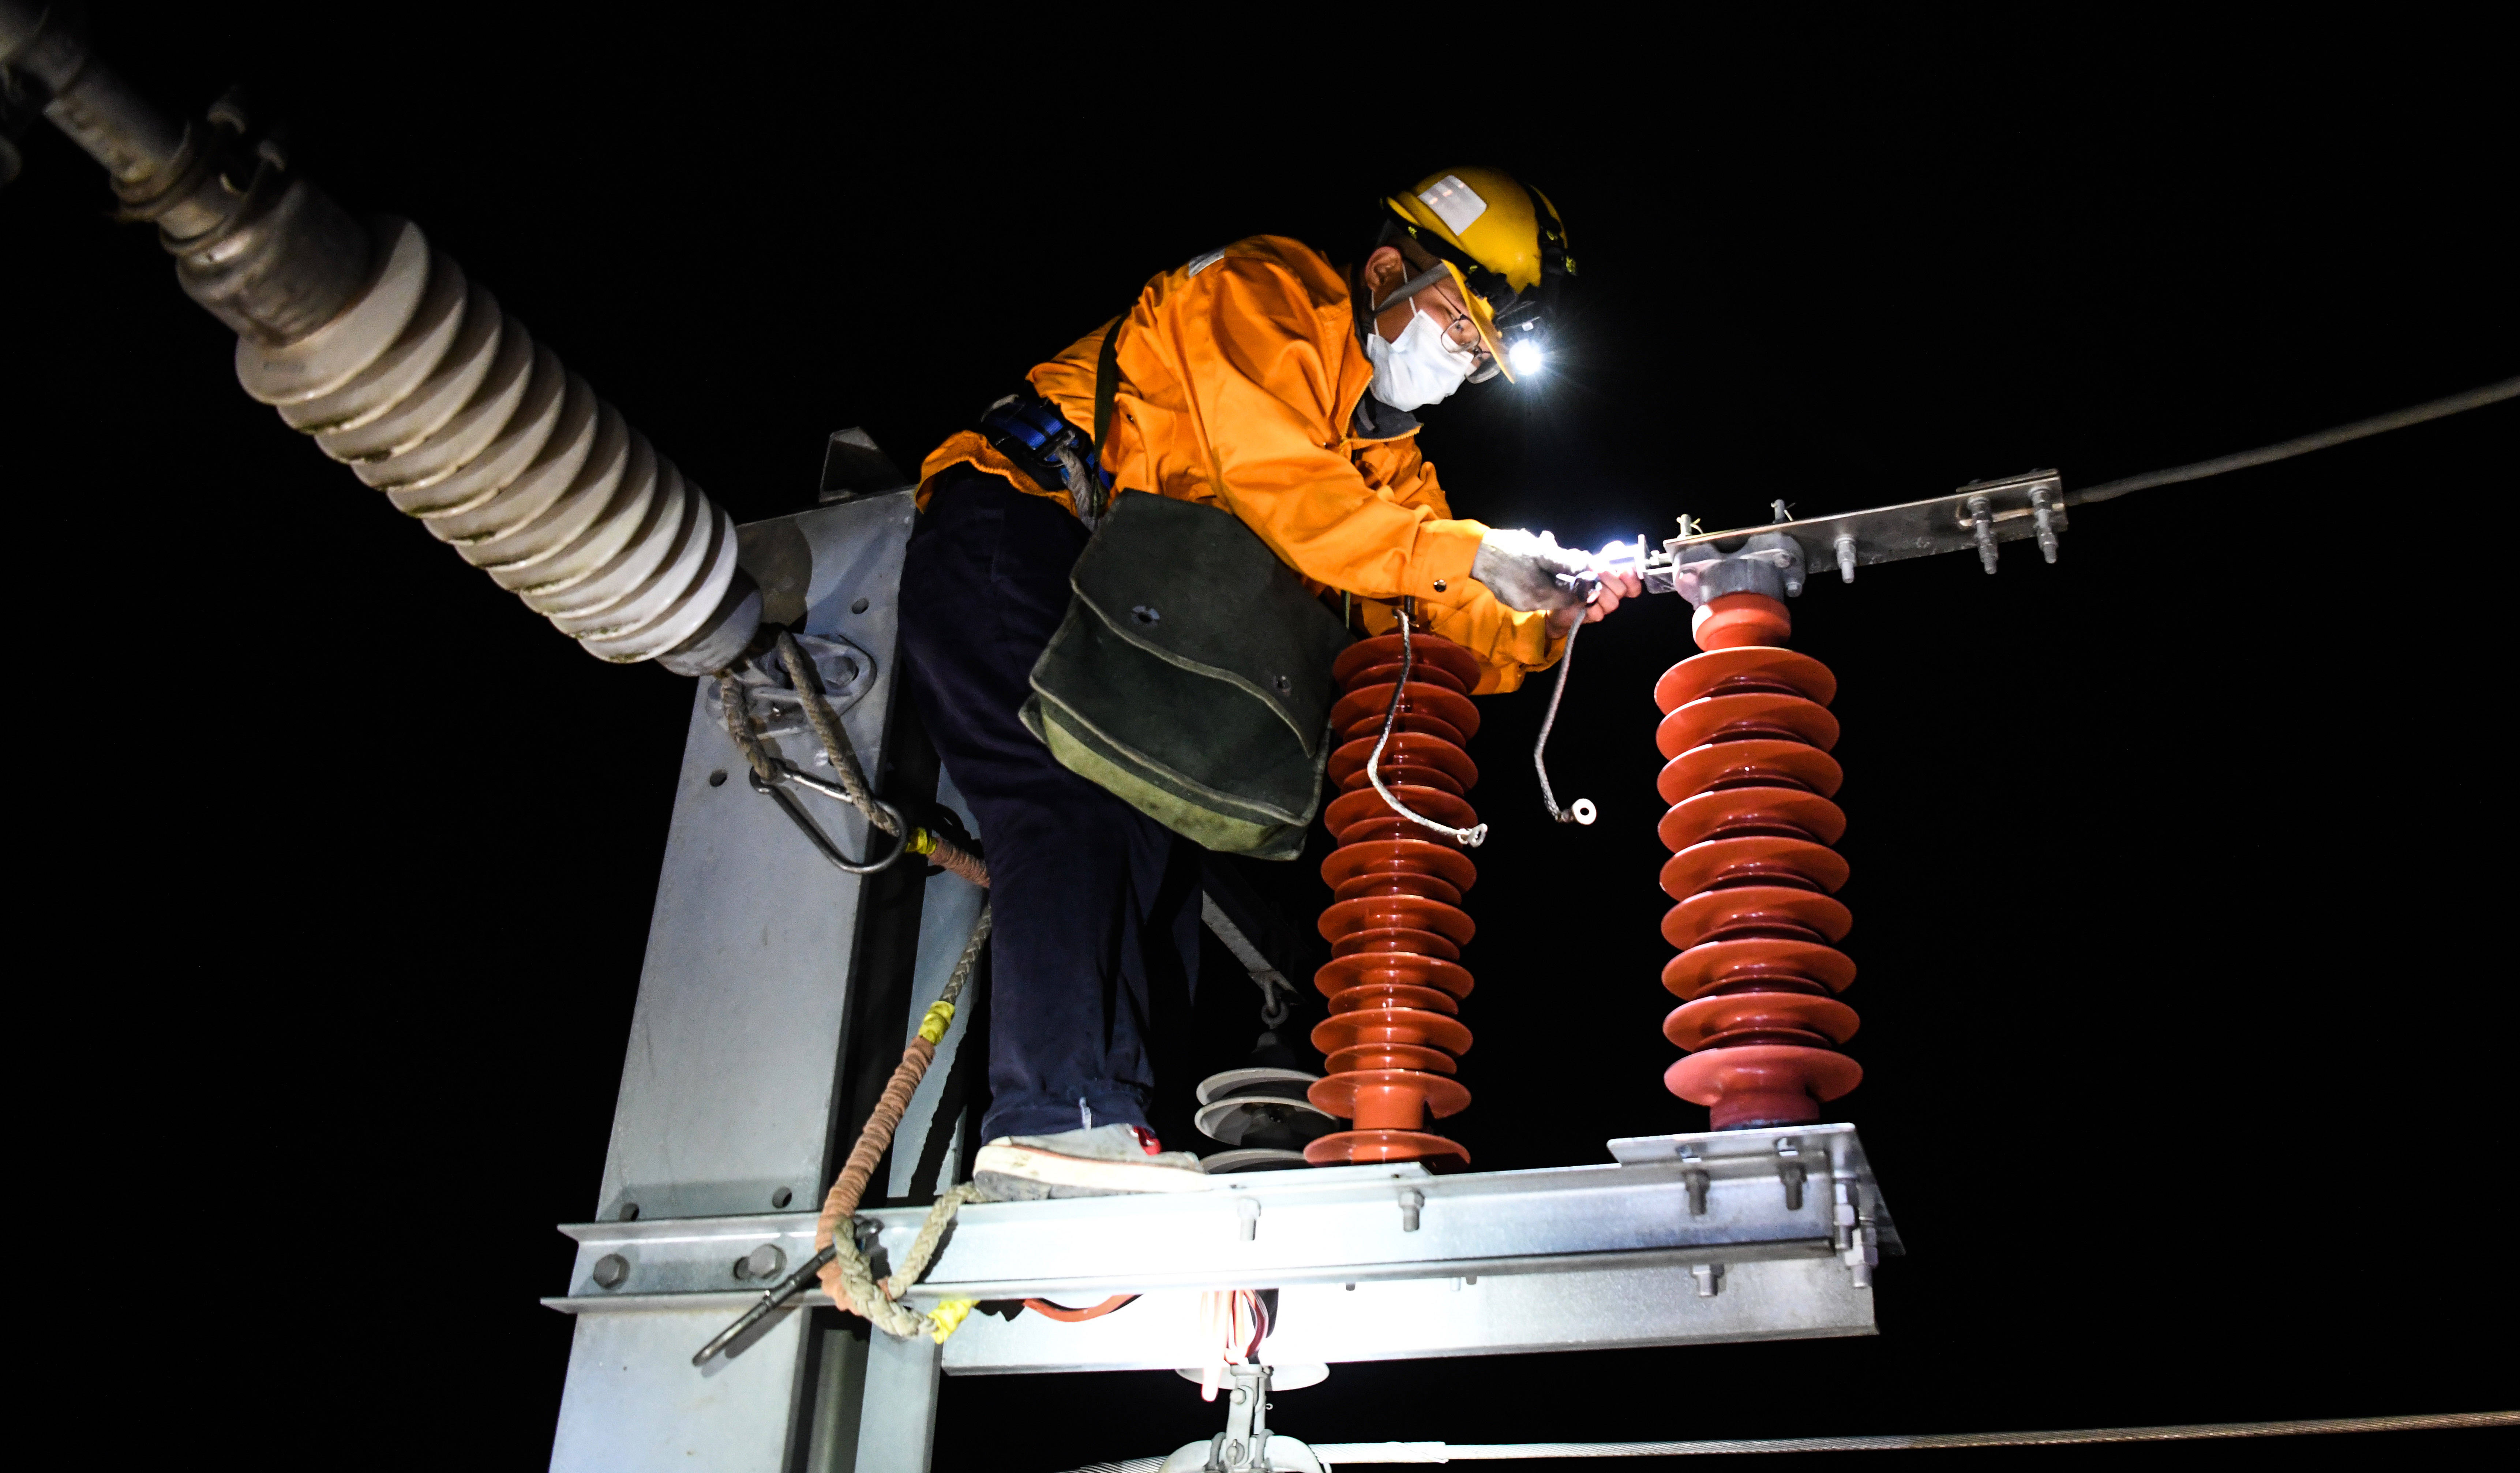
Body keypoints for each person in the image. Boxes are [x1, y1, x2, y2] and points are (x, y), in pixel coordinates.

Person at [896, 167, 1643, 1198]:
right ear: (1390, 266)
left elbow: (1418, 603)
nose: (1461, 363)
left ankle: (1110, 1132)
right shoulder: (1271, 295)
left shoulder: (1392, 470)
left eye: (1479, 355)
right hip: (1015, 527)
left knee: (1153, 855)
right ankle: (1055, 1121)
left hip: (1112, 606)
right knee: (1059, 801)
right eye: (1460, 326)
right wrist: (1476, 550)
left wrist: (1541, 616)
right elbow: (1295, 496)